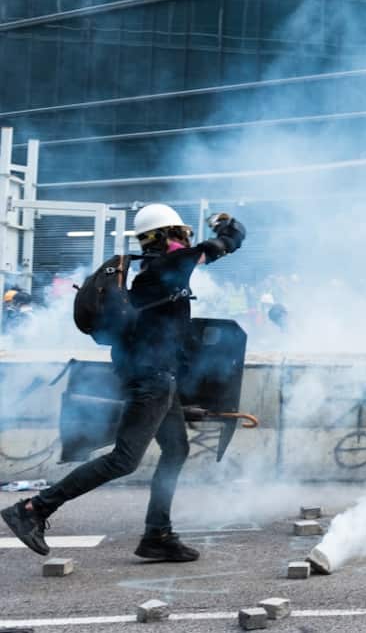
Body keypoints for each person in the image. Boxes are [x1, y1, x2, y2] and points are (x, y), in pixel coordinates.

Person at [2, 204, 245, 561]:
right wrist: (226, 224)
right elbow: (229, 242)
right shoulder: (169, 266)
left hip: (156, 378)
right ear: (168, 236)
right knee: (124, 460)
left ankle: (157, 535)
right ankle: (34, 509)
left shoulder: (148, 272)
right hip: (153, 380)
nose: (185, 240)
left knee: (176, 449)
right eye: (179, 234)